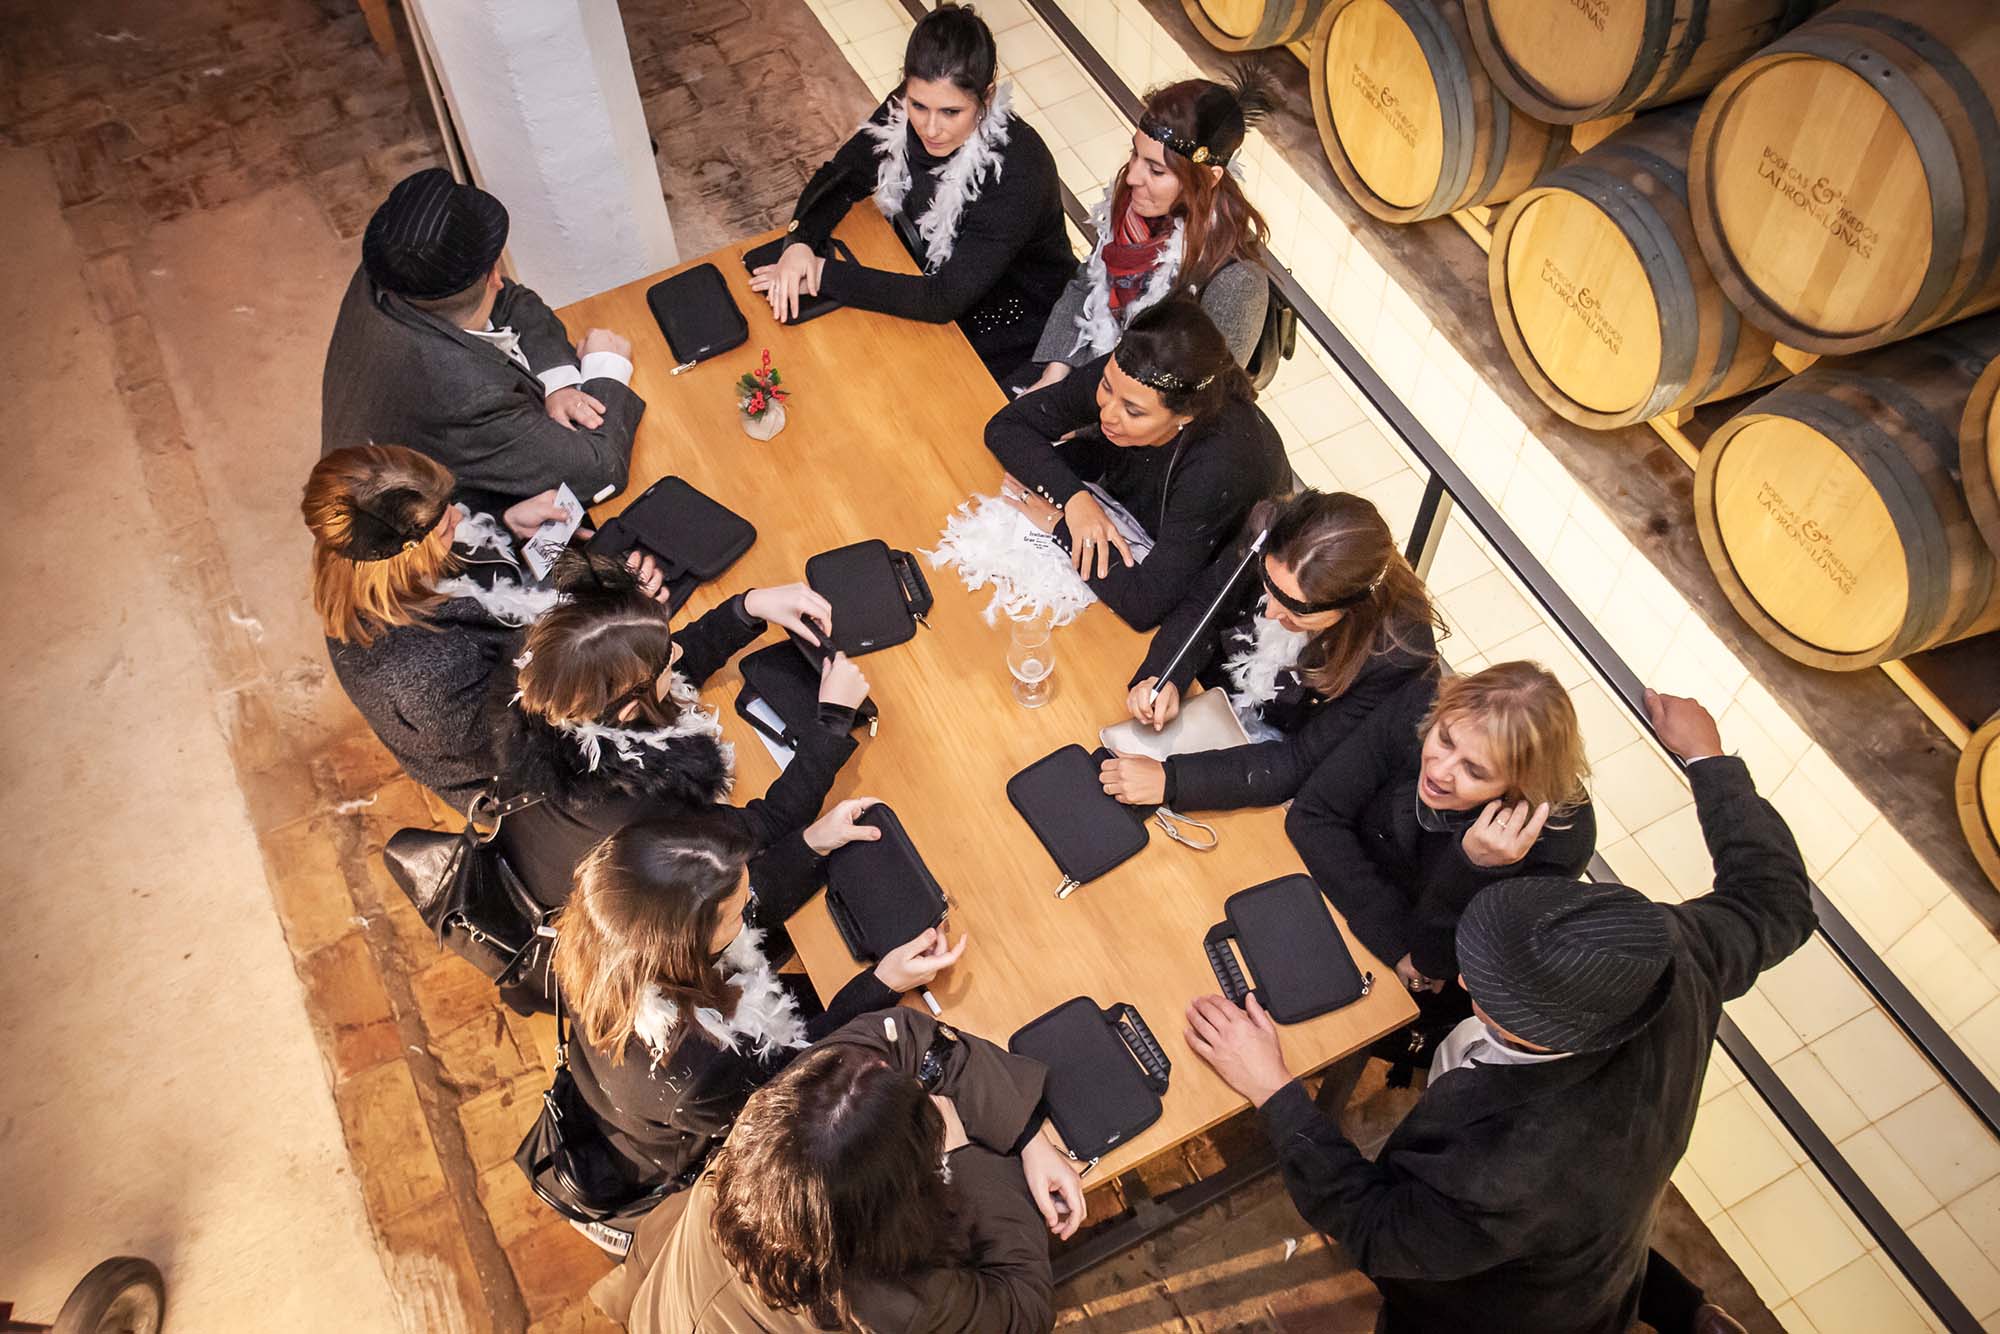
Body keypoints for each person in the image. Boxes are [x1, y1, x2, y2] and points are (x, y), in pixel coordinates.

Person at [1185, 689, 1807, 1334]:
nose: (1462, 981)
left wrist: (1275, 1090)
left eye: (1487, 988)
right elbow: (1777, 901)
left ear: (1541, 1032)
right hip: (1590, 1220)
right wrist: (1708, 759)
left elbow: (1373, 1227)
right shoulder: (1673, 948)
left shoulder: (1507, 1171)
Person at [552, 808, 969, 1211]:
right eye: (734, 916)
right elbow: (802, 1073)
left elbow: (741, 903)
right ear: (687, 948)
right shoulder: (698, 1073)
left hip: (633, 1088)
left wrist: (813, 843)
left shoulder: (609, 941)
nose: (746, 911)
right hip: (693, 1124)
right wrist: (883, 984)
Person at [614, 1007, 1085, 1333]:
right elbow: (1024, 1308)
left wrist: (1027, 1136)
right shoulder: (894, 1301)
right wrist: (961, 1156)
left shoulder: (775, 1136)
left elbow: (894, 1035)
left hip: (664, 1306)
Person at [491, 549, 870, 910]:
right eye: (669, 656)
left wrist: (747, 608)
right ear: (629, 712)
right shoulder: (646, 810)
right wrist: (833, 722)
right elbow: (766, 827)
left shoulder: (551, 697)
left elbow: (645, 672)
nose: (677, 651)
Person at [1285, 662, 1596, 1072]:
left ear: (1517, 789)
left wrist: (1475, 867)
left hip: (1404, 974)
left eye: (1475, 771)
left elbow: (1439, 964)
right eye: (1445, 740)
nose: (1439, 770)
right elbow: (1314, 815)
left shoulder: (1556, 845)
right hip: (1351, 906)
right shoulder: (1423, 703)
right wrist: (1395, 939)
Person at [750, 4, 1074, 382]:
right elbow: (846, 173)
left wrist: (822, 273)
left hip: (1013, 327)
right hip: (926, 282)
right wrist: (801, 241)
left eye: (951, 112)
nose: (930, 128)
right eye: (918, 105)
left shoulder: (1019, 170)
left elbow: (942, 299)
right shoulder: (905, 107)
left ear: (986, 98)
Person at [1099, 490, 1441, 813]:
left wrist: (1172, 781)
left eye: (1297, 609)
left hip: (1265, 763)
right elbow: (1204, 606)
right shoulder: (1271, 532)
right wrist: (1164, 676)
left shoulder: (1397, 659)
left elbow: (1301, 761)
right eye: (1269, 584)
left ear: (1353, 607)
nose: (1272, 611)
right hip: (1209, 704)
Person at [321, 167, 643, 505]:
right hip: (427, 521)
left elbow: (512, 301)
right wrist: (606, 366)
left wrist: (557, 383)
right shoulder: (468, 395)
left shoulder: (393, 267)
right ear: (494, 276)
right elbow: (600, 472)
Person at [984, 297, 1289, 629]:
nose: (1107, 414)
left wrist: (1060, 524)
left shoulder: (1217, 468)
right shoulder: (1130, 376)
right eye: (1105, 387)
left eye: (1133, 411)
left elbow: (1144, 604)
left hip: (1211, 583)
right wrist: (1075, 500)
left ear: (1185, 416)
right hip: (1132, 511)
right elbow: (1005, 427)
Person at [306, 443, 581, 807]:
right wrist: (615, 617)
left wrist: (505, 525)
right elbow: (542, 739)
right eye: (444, 529)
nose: (459, 518)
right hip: (535, 782)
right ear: (406, 558)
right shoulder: (426, 680)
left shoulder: (365, 564)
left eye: (450, 504)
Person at [1022, 76, 1271, 391]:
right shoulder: (1134, 204)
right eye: (1135, 153)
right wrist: (1054, 372)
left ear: (1209, 178)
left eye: (1156, 170)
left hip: (1135, 411)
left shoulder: (1236, 280)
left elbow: (1209, 397)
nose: (1132, 177)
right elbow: (1086, 283)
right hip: (1081, 367)